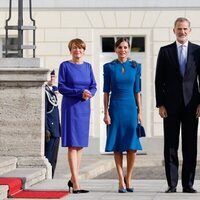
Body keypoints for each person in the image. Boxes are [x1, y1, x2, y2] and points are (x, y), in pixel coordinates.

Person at [155, 17, 200, 193]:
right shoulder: (165, 51)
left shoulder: (198, 51)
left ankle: (188, 184)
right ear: (173, 30)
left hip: (192, 105)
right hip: (170, 106)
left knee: (190, 146)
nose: (182, 32)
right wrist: (160, 104)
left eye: (185, 29)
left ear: (190, 30)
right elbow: (159, 80)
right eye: (179, 29)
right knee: (170, 145)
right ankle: (172, 184)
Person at [103, 37, 143, 193]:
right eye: (120, 47)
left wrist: (140, 111)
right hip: (115, 108)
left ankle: (129, 177)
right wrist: (106, 112)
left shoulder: (135, 66)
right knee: (117, 146)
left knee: (132, 147)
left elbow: (137, 91)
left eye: (125, 47)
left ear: (129, 49)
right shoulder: (109, 67)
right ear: (115, 49)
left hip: (131, 109)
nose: (123, 50)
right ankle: (120, 180)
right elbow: (106, 91)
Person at [58, 38, 97, 194]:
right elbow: (61, 87)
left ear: (84, 50)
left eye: (80, 48)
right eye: (74, 48)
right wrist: (79, 92)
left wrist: (90, 93)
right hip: (70, 107)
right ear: (70, 50)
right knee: (72, 144)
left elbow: (93, 85)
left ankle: (74, 179)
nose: (78, 51)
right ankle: (76, 183)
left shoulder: (88, 67)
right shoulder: (65, 66)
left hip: (84, 107)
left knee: (80, 144)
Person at [45, 69, 61, 178]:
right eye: (50, 76)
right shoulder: (45, 92)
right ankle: (47, 178)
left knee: (54, 159)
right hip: (50, 131)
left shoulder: (53, 91)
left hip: (56, 130)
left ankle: (51, 177)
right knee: (48, 158)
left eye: (54, 76)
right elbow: (44, 112)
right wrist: (46, 129)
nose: (52, 78)